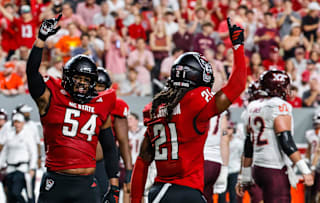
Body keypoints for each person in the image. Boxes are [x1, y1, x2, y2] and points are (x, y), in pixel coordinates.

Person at [131, 18, 247, 203]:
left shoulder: (156, 107)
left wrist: (135, 200)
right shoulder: (195, 101)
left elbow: (143, 160)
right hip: (186, 191)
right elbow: (238, 85)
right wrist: (238, 47)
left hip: (164, 190)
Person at [26, 14, 120, 203]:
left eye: (86, 80)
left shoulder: (101, 104)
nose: (81, 84)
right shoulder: (51, 96)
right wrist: (41, 39)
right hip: (56, 180)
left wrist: (115, 185)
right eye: (78, 78)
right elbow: (31, 74)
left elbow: (110, 147)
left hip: (86, 183)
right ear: (68, 78)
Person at [236, 70, 314, 202]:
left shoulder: (252, 107)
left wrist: (245, 175)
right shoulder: (278, 105)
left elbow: (248, 146)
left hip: (258, 169)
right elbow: (286, 142)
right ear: (279, 87)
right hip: (274, 170)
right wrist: (304, 170)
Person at [94, 67, 132, 201]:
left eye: (101, 86)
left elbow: (123, 141)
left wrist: (128, 171)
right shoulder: (79, 102)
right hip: (80, 160)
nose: (98, 90)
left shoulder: (116, 105)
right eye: (95, 86)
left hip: (104, 161)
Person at [0, 113, 37, 203]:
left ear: (22, 123)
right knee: (10, 195)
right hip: (10, 169)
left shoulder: (27, 135)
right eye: (15, 122)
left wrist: (32, 168)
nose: (17, 124)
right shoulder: (10, 135)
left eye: (19, 122)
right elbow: (4, 153)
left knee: (16, 192)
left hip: (22, 169)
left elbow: (33, 153)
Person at [203, 112, 230, 203]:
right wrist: (225, 168)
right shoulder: (221, 108)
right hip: (215, 161)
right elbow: (224, 137)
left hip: (198, 159)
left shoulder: (195, 102)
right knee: (207, 196)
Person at [305, 110, 320, 203]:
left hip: (316, 166)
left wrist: (313, 167)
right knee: (311, 191)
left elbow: (318, 151)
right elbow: (309, 149)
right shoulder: (310, 133)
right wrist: (307, 161)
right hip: (314, 166)